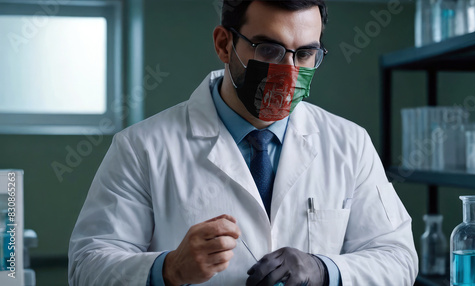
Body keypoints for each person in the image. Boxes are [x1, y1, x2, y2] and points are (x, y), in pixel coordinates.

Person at [68, 1, 418, 285]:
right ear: (224, 44)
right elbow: (87, 267)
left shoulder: (349, 144)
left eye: (306, 54)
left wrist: (323, 270)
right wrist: (170, 268)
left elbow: (398, 258)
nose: (289, 71)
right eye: (269, 50)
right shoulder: (142, 147)